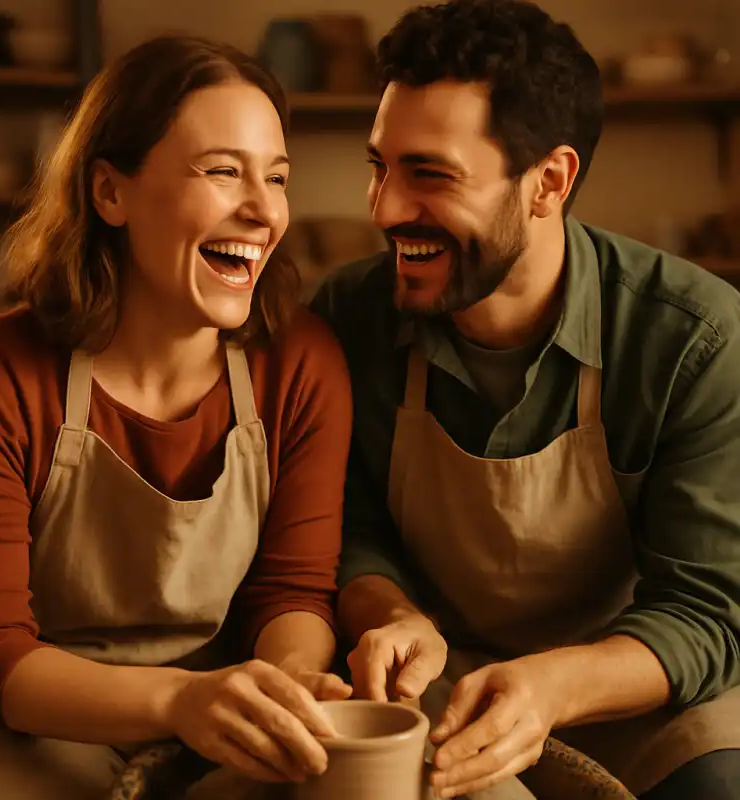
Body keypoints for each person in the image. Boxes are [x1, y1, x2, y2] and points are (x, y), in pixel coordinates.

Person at [311, 1, 740, 799]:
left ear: (549, 182)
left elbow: (706, 613)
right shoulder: (348, 318)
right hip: (436, 681)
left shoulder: (693, 339)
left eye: (429, 175)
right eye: (380, 167)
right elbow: (348, 532)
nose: (384, 208)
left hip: (623, 681)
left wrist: (551, 687)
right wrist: (390, 615)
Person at [0, 34, 354, 800]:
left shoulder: (301, 363)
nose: (264, 210)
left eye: (276, 177)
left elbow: (293, 592)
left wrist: (290, 684)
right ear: (110, 193)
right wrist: (176, 701)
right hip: (37, 722)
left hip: (230, 703)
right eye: (222, 171)